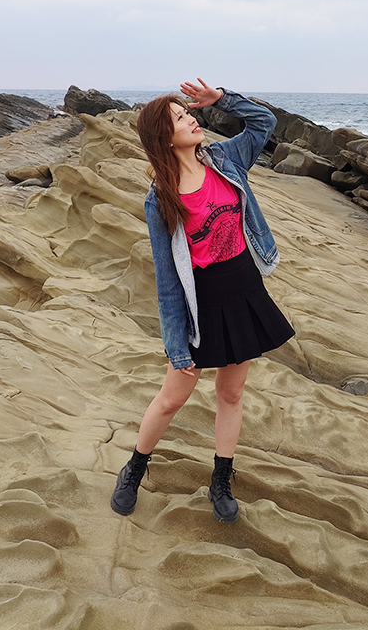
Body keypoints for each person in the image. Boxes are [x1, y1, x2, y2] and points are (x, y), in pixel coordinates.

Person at [110, 78, 294, 523]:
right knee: (173, 397)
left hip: (245, 288)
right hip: (201, 301)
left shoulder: (225, 159)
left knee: (231, 393)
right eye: (180, 117)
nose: (192, 119)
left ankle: (221, 479)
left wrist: (222, 101)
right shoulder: (160, 198)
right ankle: (135, 467)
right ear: (162, 137)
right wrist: (176, 345)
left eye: (189, 113)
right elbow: (168, 278)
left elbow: (264, 122)